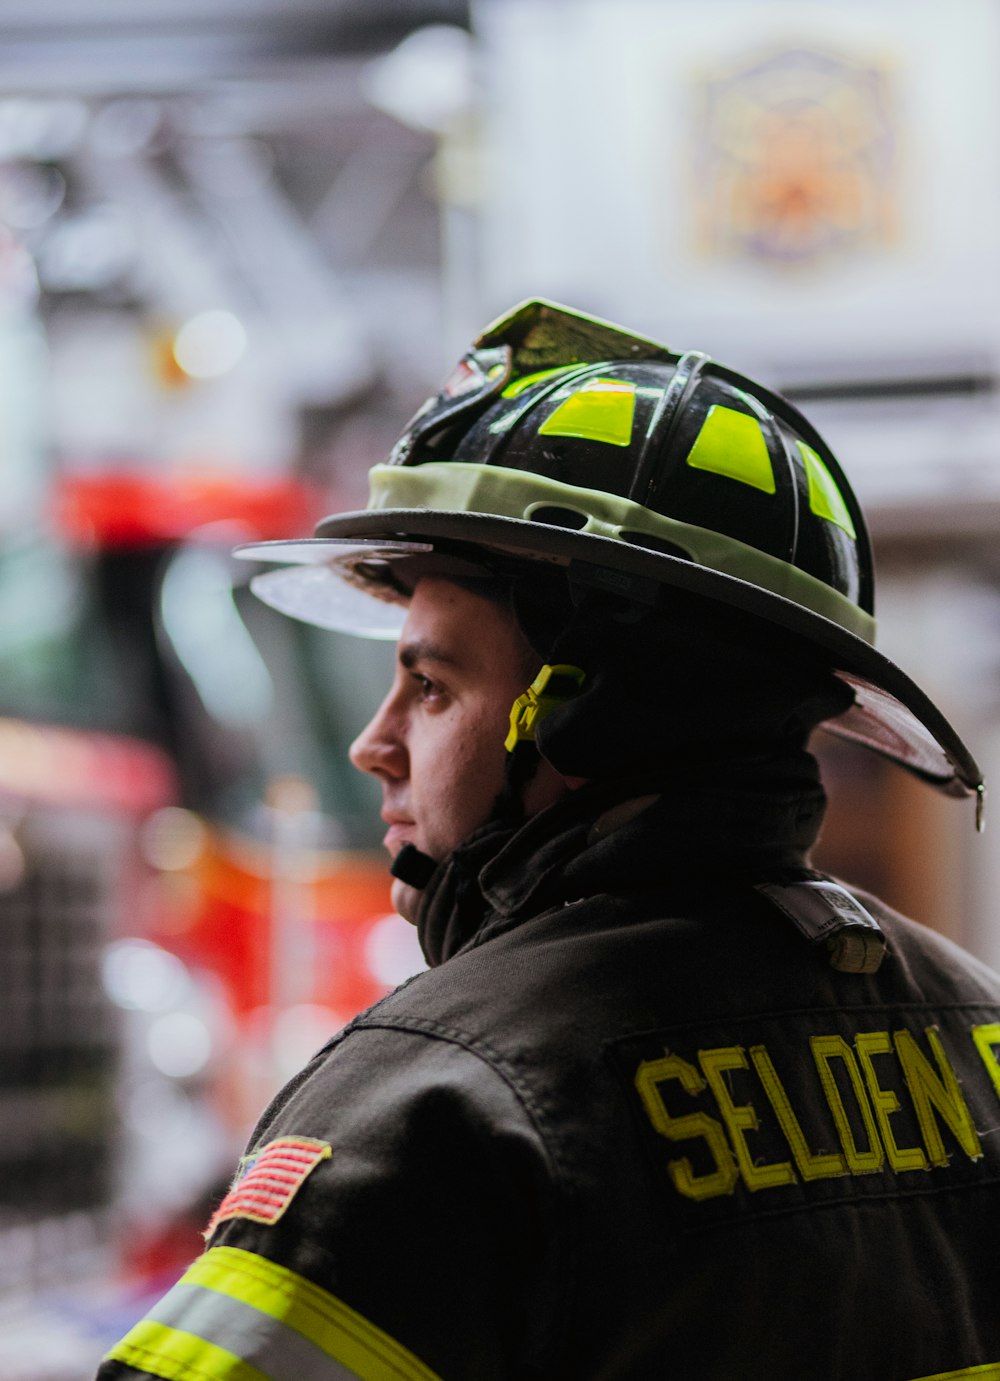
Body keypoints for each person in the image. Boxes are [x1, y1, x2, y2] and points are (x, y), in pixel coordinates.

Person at [98, 300, 1000, 1381]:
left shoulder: (443, 1101)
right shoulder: (974, 1030)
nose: (371, 743)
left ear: (586, 713)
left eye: (430, 684)